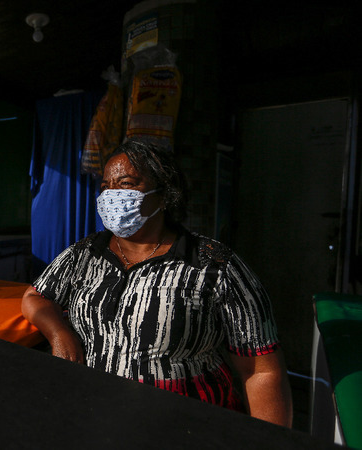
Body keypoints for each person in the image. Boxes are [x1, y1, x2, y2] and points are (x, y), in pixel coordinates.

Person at [21, 139, 293, 427]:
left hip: (186, 426)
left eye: (126, 183)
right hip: (95, 414)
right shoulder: (84, 254)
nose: (112, 194)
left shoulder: (214, 265)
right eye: (105, 186)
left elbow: (261, 370)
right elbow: (35, 296)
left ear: (164, 195)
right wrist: (59, 333)